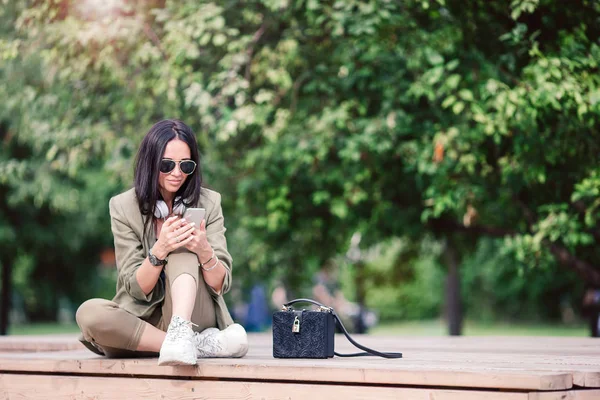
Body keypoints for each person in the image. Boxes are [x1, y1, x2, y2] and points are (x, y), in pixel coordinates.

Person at [76, 119, 248, 366]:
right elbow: (135, 288)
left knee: (183, 245)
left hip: (195, 315)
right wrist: (160, 248)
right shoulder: (123, 206)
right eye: (167, 165)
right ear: (150, 163)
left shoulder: (209, 203)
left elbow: (221, 284)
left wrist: (202, 250)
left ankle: (182, 335)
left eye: (185, 165)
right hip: (142, 321)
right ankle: (192, 345)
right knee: (88, 313)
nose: (177, 173)